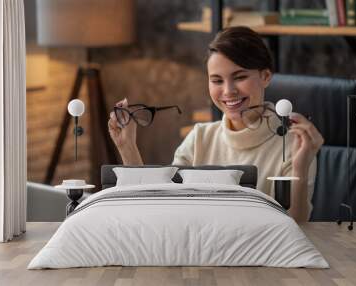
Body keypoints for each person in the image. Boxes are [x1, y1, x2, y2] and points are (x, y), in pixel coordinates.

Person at [108, 26, 324, 222]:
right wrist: (127, 148)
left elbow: (297, 227)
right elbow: (161, 210)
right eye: (217, 80)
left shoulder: (293, 146)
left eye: (239, 77)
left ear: (265, 76)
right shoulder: (199, 138)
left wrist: (300, 168)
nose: (228, 91)